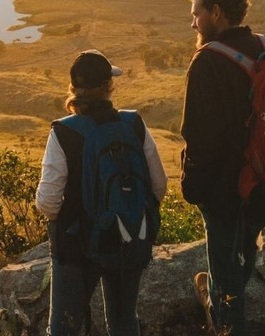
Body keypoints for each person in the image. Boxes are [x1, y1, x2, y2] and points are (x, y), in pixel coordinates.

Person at [180, 0, 265, 336]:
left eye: (197, 13)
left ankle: (224, 319)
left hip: (227, 190)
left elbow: (198, 136)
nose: (193, 21)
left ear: (216, 13)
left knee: (227, 272)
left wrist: (192, 187)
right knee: (240, 254)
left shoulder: (207, 61)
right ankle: (218, 303)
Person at [35, 50, 168, 336]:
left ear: (74, 88)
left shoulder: (63, 132)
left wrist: (74, 220)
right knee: (123, 323)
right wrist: (128, 214)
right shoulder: (133, 124)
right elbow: (158, 185)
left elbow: (47, 202)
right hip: (127, 235)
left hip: (74, 244)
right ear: (110, 85)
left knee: (65, 327)